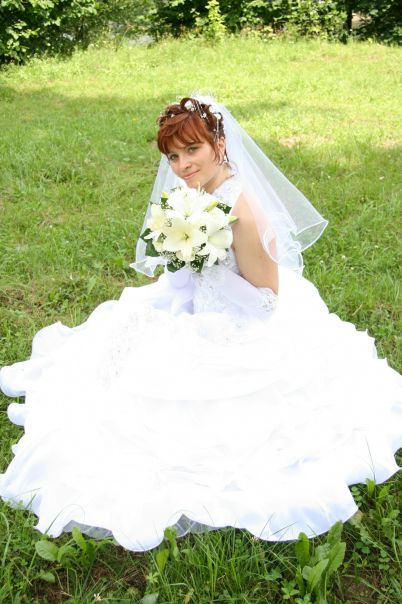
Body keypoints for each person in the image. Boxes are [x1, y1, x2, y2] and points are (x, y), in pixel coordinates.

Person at [0, 95, 401, 553]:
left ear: (219, 144)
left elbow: (266, 302)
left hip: (240, 327)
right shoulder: (196, 195)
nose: (182, 165)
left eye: (193, 150)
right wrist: (188, 261)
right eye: (173, 156)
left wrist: (207, 263)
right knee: (116, 358)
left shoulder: (244, 214)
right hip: (196, 305)